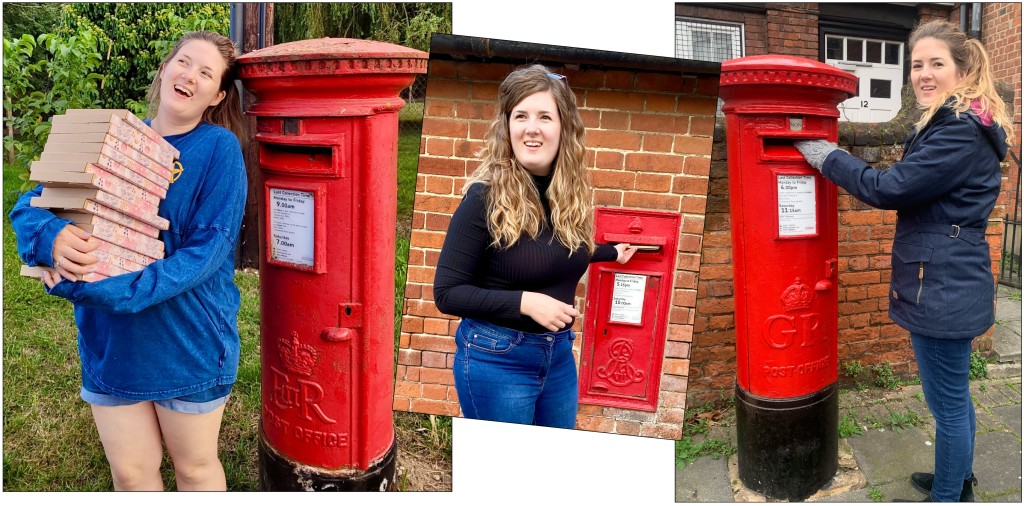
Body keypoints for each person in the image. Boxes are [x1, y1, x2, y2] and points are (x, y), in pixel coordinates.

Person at [9, 31, 248, 491]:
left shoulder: (218, 149)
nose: (189, 76)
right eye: (183, 62)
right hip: (111, 340)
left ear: (217, 95)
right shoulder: (118, 138)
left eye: (205, 73)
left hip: (185, 339)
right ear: (164, 69)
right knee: (131, 473)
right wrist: (48, 235)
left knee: (194, 469)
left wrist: (111, 291)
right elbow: (31, 204)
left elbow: (206, 253)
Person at [795, 19, 1012, 502]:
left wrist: (827, 157)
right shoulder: (961, 121)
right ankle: (959, 481)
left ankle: (949, 495)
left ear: (964, 69)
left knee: (948, 404)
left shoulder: (957, 130)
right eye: (917, 64)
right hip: (948, 276)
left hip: (942, 284)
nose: (924, 74)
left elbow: (889, 188)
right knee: (955, 398)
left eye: (937, 63)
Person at [432, 64, 638, 429]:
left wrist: (612, 252)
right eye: (520, 115)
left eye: (545, 116)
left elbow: (561, 249)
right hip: (496, 358)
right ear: (507, 126)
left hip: (557, 356)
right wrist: (527, 302)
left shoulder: (566, 198)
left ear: (564, 129)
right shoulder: (484, 198)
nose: (531, 128)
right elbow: (447, 293)